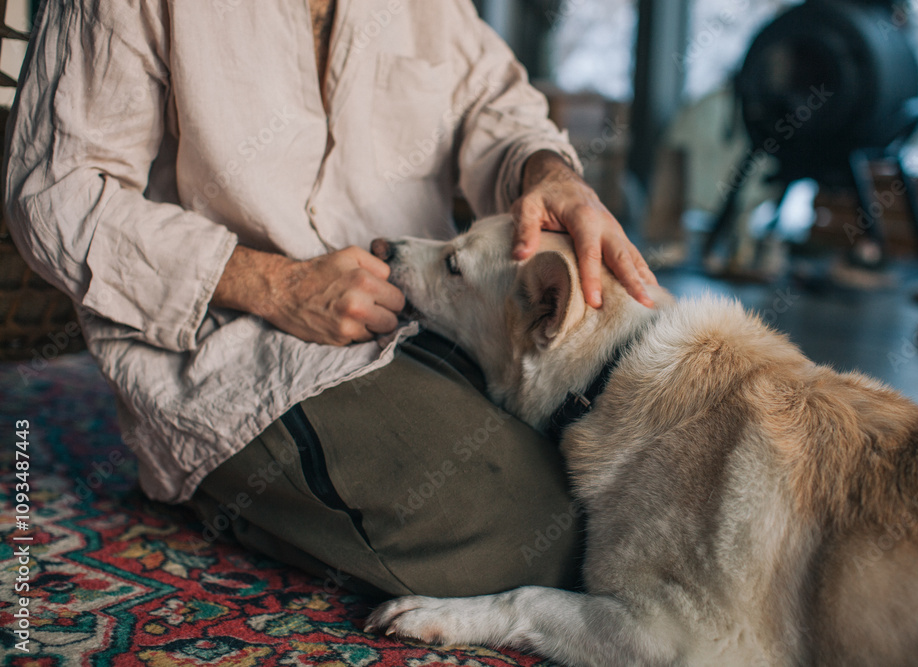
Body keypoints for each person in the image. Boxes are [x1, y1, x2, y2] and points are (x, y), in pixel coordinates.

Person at [4, 0, 655, 597]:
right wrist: (276, 284)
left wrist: (550, 171)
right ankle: (222, 491)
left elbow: (497, 101)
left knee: (617, 487)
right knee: (548, 536)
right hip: (232, 342)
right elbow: (55, 192)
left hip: (415, 317)